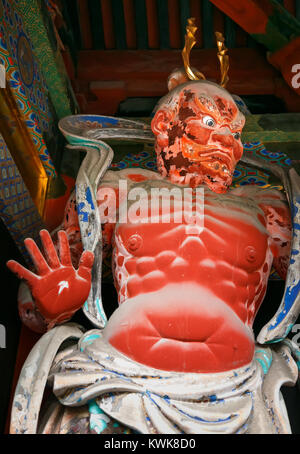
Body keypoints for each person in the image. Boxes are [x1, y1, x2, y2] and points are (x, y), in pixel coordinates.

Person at [7, 78, 300, 434]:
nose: (229, 144)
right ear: (164, 125)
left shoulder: (268, 210)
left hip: (237, 388)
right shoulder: (116, 193)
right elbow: (35, 302)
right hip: (118, 374)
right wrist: (53, 308)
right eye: (211, 124)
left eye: (235, 134)